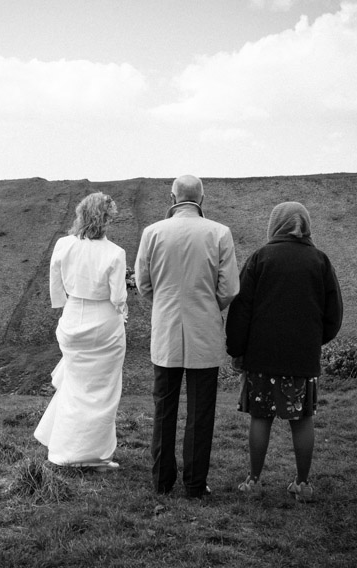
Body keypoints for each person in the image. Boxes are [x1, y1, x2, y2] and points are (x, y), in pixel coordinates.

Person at [225, 201, 343, 502]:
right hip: (301, 358)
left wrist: (237, 349)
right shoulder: (320, 261)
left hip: (261, 358)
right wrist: (313, 341)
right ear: (305, 224)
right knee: (302, 419)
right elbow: (334, 315)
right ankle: (303, 485)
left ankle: (253, 481)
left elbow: (241, 310)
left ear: (274, 224)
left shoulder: (260, 258)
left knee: (260, 418)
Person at [135, 175, 240, 498]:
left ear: (172, 197)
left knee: (164, 408)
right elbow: (230, 289)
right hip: (204, 330)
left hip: (166, 329)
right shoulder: (219, 233)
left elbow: (143, 283)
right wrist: (208, 304)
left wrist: (165, 302)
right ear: (202, 199)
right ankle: (195, 484)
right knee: (201, 411)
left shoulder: (152, 233)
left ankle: (162, 482)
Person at [34, 192, 128, 472]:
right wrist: (123, 313)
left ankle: (64, 449)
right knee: (103, 392)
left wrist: (65, 306)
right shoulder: (115, 253)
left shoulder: (64, 245)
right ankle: (95, 456)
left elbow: (55, 284)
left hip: (73, 320)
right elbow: (118, 297)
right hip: (104, 326)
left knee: (75, 387)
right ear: (107, 219)